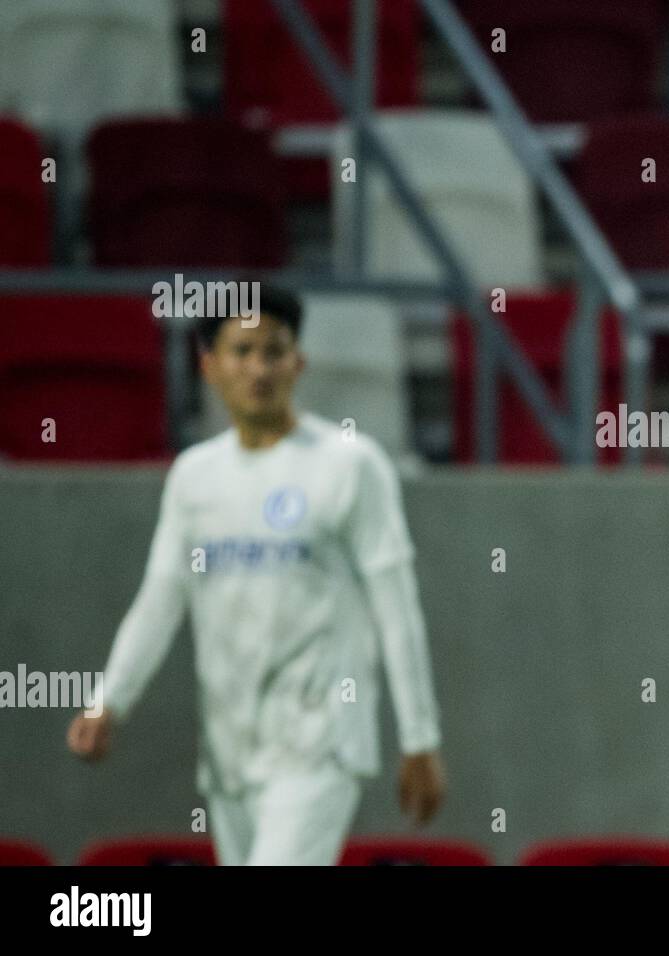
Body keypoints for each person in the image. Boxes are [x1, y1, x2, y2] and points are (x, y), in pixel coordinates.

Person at [67, 285, 446, 865]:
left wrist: (421, 740)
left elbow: (398, 611)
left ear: (299, 362)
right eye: (242, 352)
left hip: (321, 745)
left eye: (274, 351)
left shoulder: (350, 464)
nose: (259, 368)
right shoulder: (194, 476)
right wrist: (107, 701)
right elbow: (161, 600)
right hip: (229, 753)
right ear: (209, 365)